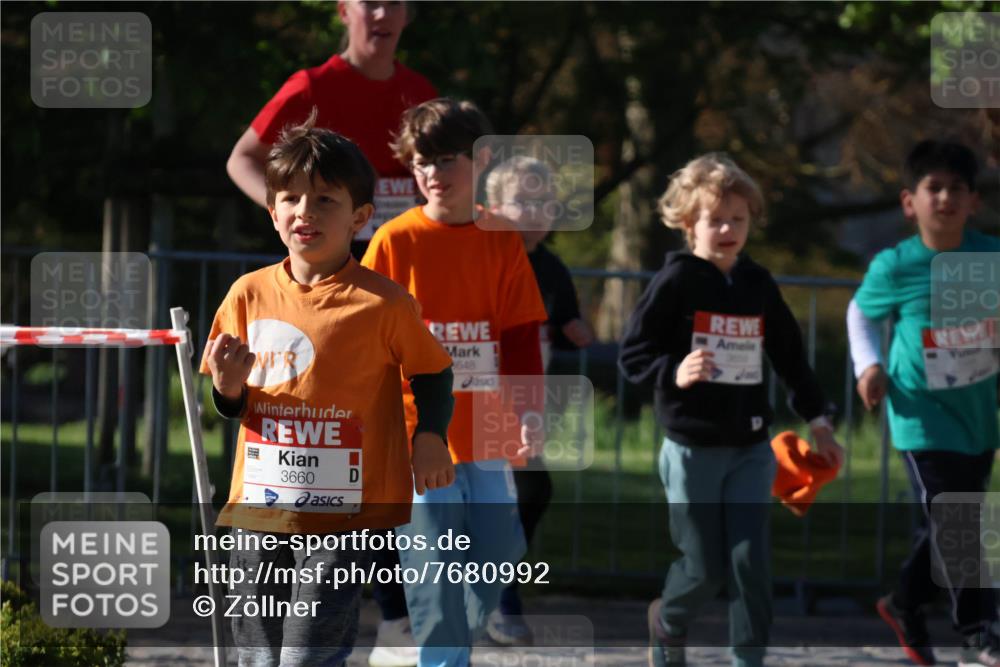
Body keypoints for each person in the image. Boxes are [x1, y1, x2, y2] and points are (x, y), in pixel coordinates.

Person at [201, 114, 455, 667]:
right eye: (290, 198)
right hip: (259, 511)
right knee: (261, 656)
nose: (305, 212)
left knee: (306, 655)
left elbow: (434, 372)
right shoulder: (246, 295)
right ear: (272, 212)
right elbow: (229, 402)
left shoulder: (385, 303)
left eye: (324, 200)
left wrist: (431, 436)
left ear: (360, 217)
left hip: (344, 518)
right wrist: (227, 387)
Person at [618, 153, 843, 667]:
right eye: (715, 219)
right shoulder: (676, 281)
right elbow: (634, 354)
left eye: (738, 219)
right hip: (692, 450)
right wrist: (674, 371)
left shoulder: (757, 284)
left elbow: (791, 358)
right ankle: (668, 621)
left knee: (750, 565)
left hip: (750, 449)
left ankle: (748, 660)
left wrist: (821, 424)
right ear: (687, 223)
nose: (727, 230)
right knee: (703, 568)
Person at [362, 97, 548, 667]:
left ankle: (450, 638)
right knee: (434, 558)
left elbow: (520, 337)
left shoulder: (502, 238)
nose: (432, 174)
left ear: (482, 159)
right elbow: (366, 338)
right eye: (421, 162)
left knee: (499, 551)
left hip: (489, 430)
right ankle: (442, 657)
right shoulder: (394, 240)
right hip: (420, 432)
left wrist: (529, 413)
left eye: (447, 160)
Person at [848, 140, 1000, 667]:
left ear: (973, 201)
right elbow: (860, 314)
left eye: (957, 189)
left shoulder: (991, 257)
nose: (945, 198)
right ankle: (980, 633)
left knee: (950, 522)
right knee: (958, 521)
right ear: (909, 202)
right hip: (920, 415)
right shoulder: (896, 266)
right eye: (933, 188)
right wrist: (868, 366)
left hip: (976, 415)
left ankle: (903, 601)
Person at [227, 0, 437, 262]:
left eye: (394, 3)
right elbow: (241, 160)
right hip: (333, 259)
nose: (383, 13)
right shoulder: (311, 87)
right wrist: (287, 209)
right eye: (370, 3)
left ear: (406, 15)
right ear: (344, 11)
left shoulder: (420, 92)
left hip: (407, 253)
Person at [483, 155, 595, 645]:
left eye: (544, 202)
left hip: (528, 398)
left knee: (530, 492)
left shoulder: (551, 267)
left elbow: (565, 319)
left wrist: (576, 329)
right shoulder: (484, 255)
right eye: (523, 202)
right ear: (494, 207)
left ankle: (493, 589)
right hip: (478, 393)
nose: (535, 211)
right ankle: (494, 599)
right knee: (500, 495)